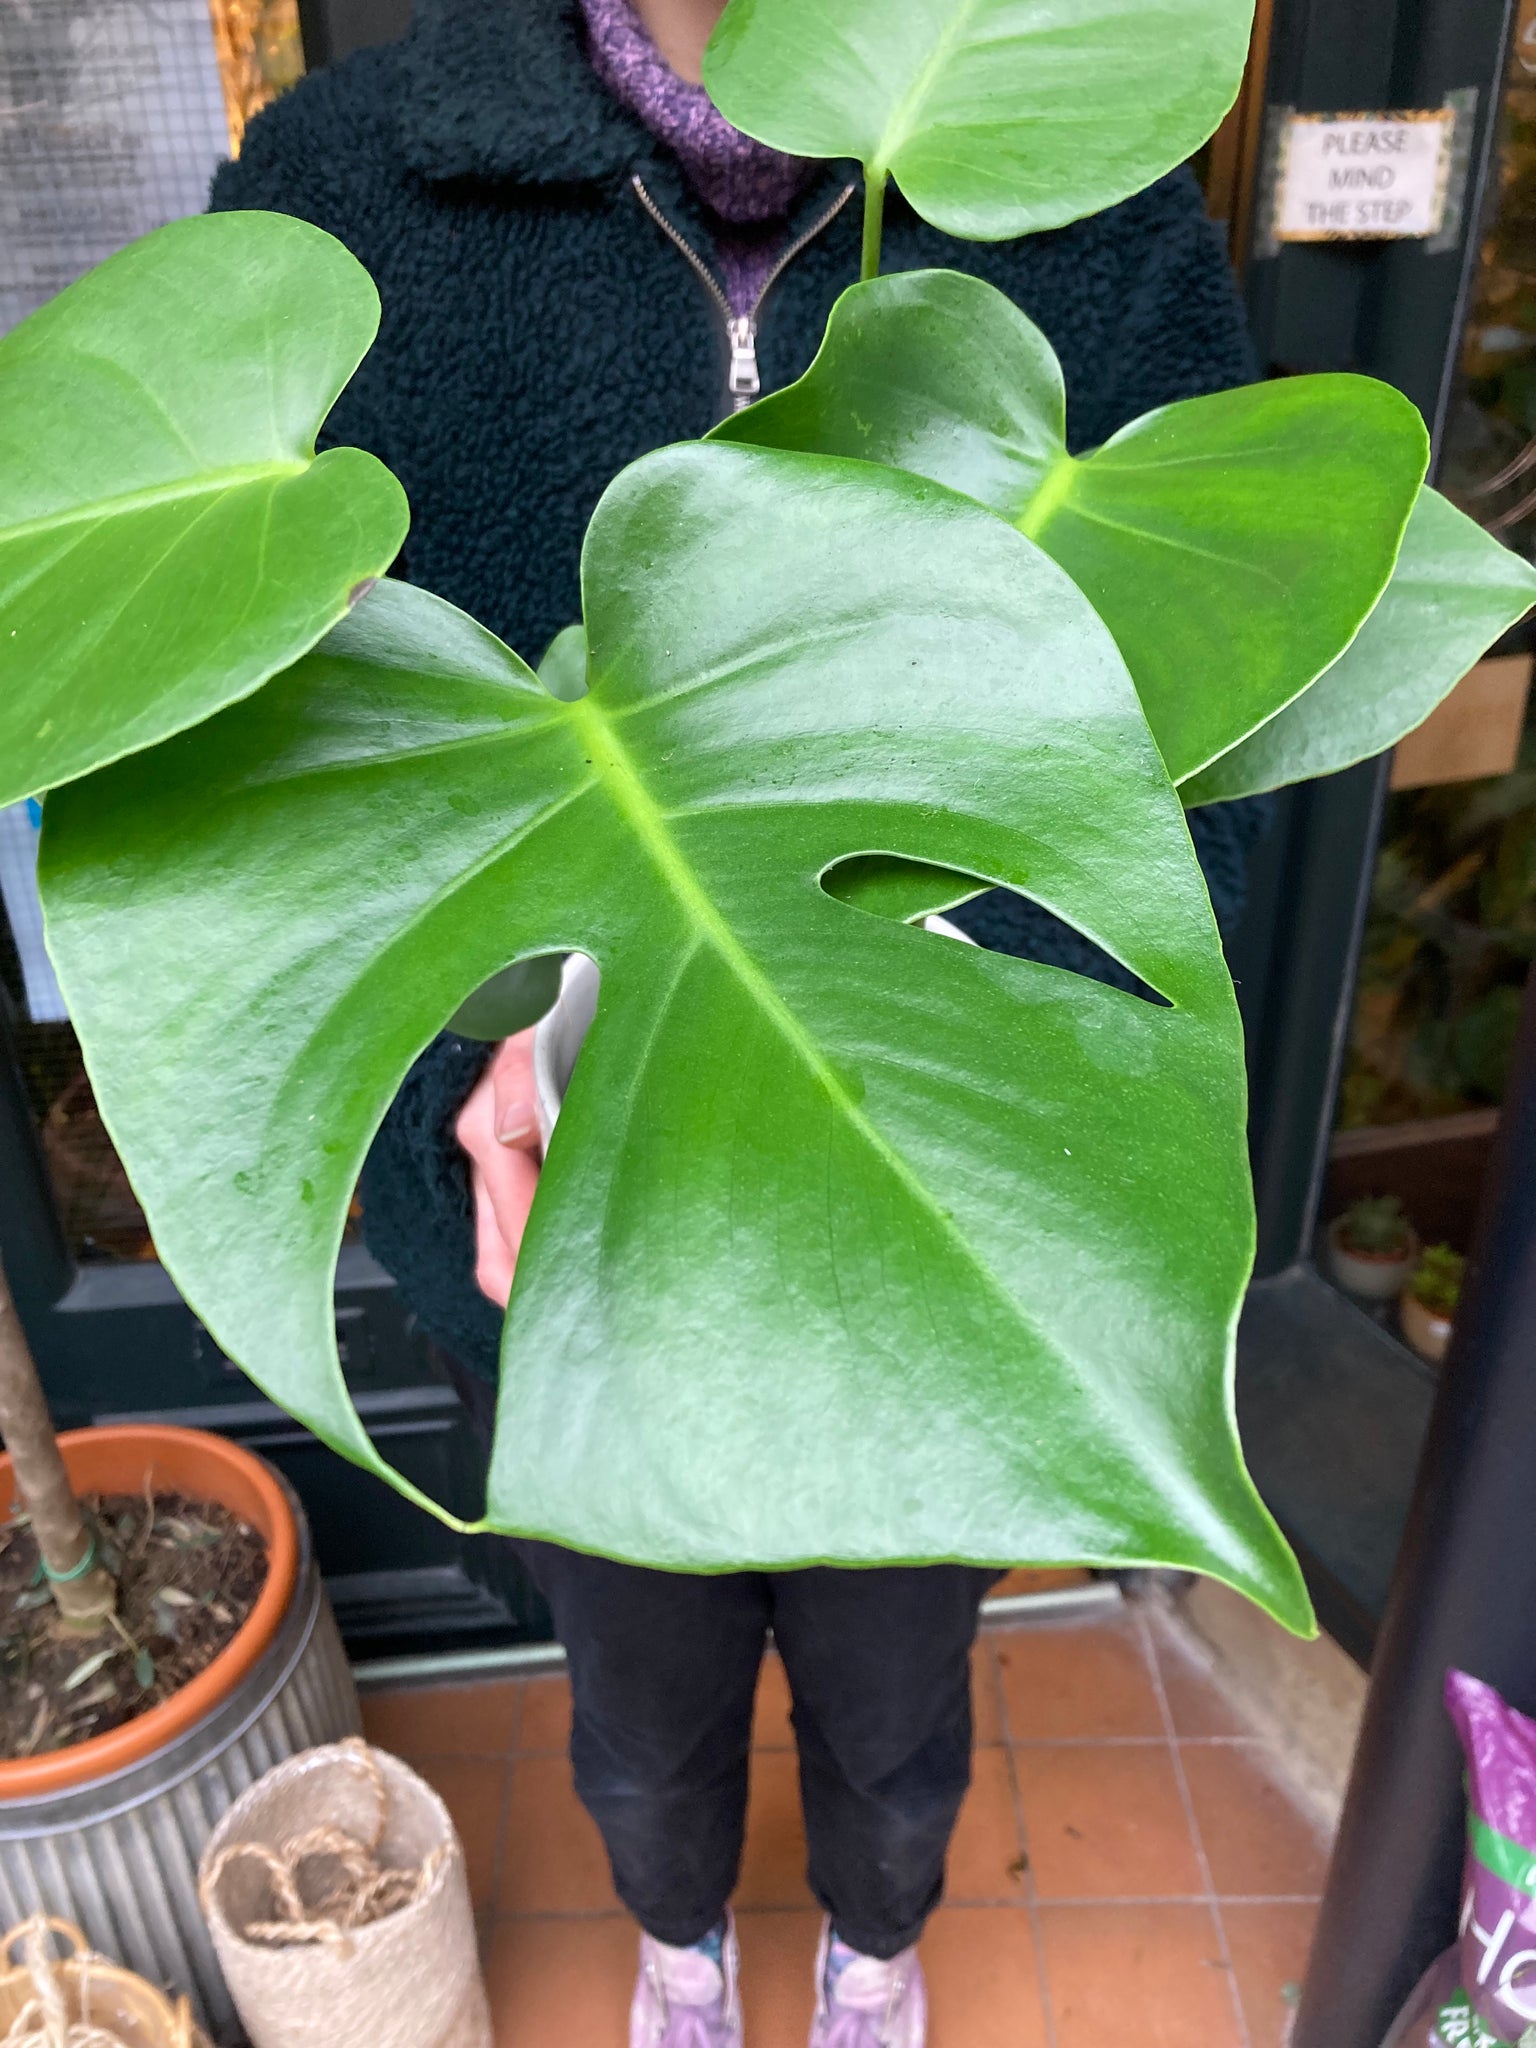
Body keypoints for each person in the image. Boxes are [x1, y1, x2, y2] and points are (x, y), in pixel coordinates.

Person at [212, 3, 1271, 2040]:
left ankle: (876, 1944)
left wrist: (976, 1043)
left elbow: (1204, 760)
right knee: (641, 1721)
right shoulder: (350, 189)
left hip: (925, 1221)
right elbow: (265, 802)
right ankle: (679, 1939)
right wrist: (466, 1063)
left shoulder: (1081, 190)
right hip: (567, 1226)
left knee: (898, 1710)